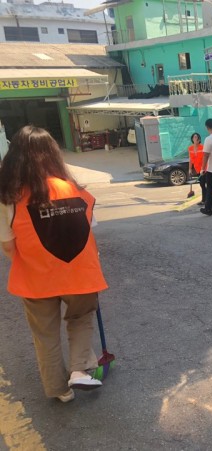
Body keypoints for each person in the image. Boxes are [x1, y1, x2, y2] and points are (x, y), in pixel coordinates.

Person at [0, 125, 108, 403]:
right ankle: (80, 370)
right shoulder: (74, 189)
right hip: (80, 274)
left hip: (36, 279)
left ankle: (58, 389)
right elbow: (88, 231)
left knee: (45, 335)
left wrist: (33, 263)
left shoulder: (9, 198)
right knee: (80, 319)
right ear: (52, 154)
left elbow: (9, 245)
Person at [188, 132, 207, 205]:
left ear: (199, 139)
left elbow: (206, 157)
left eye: (197, 137)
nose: (195, 138)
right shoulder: (190, 148)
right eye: (194, 137)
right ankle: (205, 200)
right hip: (198, 169)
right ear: (192, 139)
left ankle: (204, 200)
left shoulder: (202, 147)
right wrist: (190, 169)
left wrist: (204, 168)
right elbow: (190, 159)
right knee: (202, 184)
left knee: (203, 184)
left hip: (205, 168)